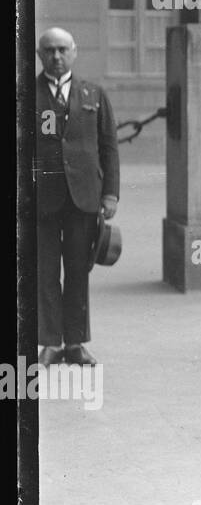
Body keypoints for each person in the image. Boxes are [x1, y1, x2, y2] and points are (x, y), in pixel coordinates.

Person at [35, 27, 119, 366]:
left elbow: (109, 147)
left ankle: (75, 344)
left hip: (83, 198)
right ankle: (50, 343)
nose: (56, 57)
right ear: (40, 55)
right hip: (41, 200)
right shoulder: (26, 94)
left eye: (62, 50)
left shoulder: (93, 94)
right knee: (44, 273)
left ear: (74, 52)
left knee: (77, 271)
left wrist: (110, 194)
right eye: (49, 50)